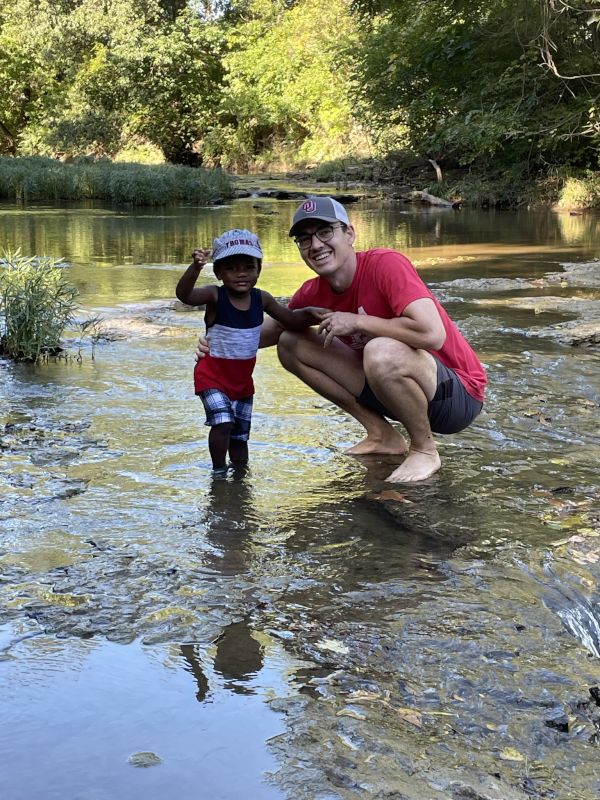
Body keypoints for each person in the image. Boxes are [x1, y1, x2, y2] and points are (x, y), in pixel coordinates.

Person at [197, 200, 486, 482]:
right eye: (305, 239)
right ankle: (382, 435)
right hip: (390, 390)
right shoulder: (312, 293)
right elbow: (262, 335)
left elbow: (432, 334)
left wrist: (358, 321)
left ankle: (424, 449)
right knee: (290, 341)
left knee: (380, 349)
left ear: (349, 234)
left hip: (455, 395)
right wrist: (215, 343)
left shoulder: (385, 264)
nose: (316, 245)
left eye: (325, 232)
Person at [177, 228, 325, 474]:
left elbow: (289, 319)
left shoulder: (262, 299)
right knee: (223, 423)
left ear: (259, 269)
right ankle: (218, 473)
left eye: (248, 267)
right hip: (211, 376)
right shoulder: (215, 295)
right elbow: (185, 296)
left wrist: (310, 314)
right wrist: (195, 267)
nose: (241, 273)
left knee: (240, 435)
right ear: (219, 272)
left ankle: (241, 478)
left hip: (242, 382)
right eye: (232, 268)